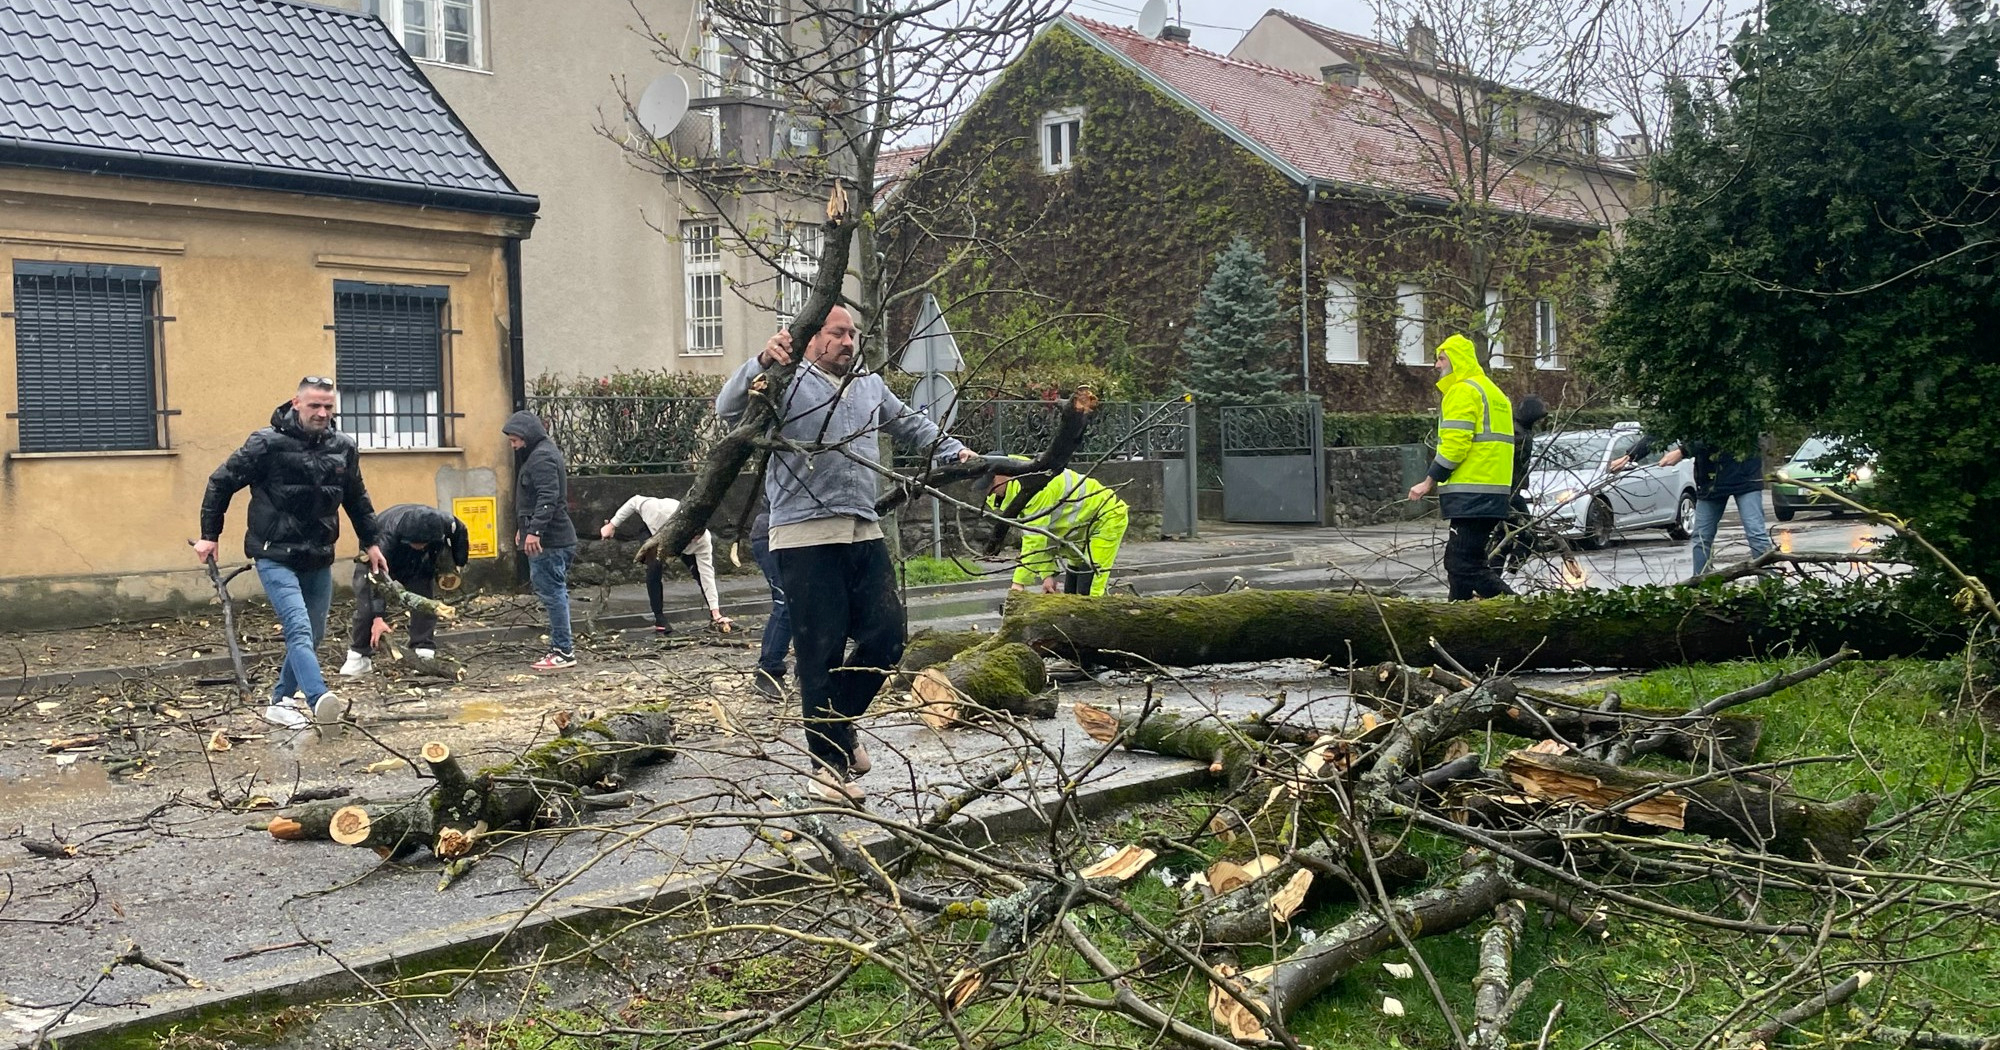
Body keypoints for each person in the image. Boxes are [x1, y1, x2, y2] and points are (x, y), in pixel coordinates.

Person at [716, 306, 976, 802]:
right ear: (812, 339)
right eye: (837, 333)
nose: (847, 341)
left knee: (887, 638)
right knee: (821, 651)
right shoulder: (786, 380)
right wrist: (758, 364)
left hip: (863, 528)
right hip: (804, 535)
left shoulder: (867, 385)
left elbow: (911, 424)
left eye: (852, 333)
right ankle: (827, 771)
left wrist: (956, 451)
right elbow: (726, 409)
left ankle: (839, 728)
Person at [196, 376, 387, 732]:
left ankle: (281, 701)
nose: (322, 413)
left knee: (314, 634)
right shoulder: (266, 444)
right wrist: (210, 535)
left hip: (318, 554)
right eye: (314, 405)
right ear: (295, 403)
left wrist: (371, 542)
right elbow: (221, 481)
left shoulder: (343, 446)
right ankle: (318, 699)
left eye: (328, 407)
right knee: (298, 628)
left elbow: (357, 498)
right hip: (273, 552)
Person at [1407, 334, 1517, 600]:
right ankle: (1458, 617)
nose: (1436, 365)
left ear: (1457, 361)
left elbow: (1456, 445)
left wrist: (1429, 481)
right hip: (1493, 491)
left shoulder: (1462, 391)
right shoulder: (1492, 391)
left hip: (1472, 493)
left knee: (1462, 564)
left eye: (1442, 358)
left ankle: (1520, 610)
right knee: (1460, 567)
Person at [340, 504, 470, 676]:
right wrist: (378, 617)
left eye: (424, 543)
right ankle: (359, 656)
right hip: (379, 562)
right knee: (367, 607)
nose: (421, 545)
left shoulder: (445, 522)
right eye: (417, 543)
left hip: (417, 563)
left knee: (424, 600)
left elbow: (460, 532)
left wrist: (459, 562)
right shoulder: (384, 537)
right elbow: (376, 579)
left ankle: (423, 649)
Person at [1614, 437, 1771, 574]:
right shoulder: (1682, 406)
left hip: (1745, 475)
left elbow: (1715, 430)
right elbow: (1659, 431)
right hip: (1710, 481)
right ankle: (1703, 587)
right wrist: (1630, 456)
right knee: (1701, 537)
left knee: (1756, 534)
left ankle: (1771, 587)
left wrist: (1682, 451)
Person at [986, 457, 1131, 596]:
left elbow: (1036, 540)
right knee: (1072, 594)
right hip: (1079, 530)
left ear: (1002, 473)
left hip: (1105, 518)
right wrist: (1047, 575)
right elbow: (1044, 533)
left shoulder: (1034, 485)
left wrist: (1018, 583)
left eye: (990, 483)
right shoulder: (1008, 492)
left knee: (1089, 593)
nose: (988, 490)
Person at [503, 411, 579, 670]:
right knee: (553, 591)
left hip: (551, 541)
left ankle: (563, 651)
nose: (513, 447)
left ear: (527, 436)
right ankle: (562, 648)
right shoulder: (539, 454)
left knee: (553, 592)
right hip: (550, 538)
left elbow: (548, 497)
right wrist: (523, 529)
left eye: (515, 441)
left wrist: (534, 531)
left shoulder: (542, 457)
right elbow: (533, 499)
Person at [598, 495, 729, 634]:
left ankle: (715, 615)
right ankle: (659, 618)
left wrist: (716, 611)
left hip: (676, 543)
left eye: (696, 539)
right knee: (655, 566)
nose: (693, 541)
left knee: (699, 573)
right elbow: (634, 501)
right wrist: (612, 525)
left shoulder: (703, 541)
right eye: (691, 539)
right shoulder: (659, 511)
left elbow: (707, 574)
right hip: (655, 532)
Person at [1491, 395, 1547, 574]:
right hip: (1509, 492)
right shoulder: (1516, 433)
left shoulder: (1519, 429)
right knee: (1527, 535)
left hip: (1508, 490)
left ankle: (1493, 578)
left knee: (1502, 538)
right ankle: (1506, 571)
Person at [747, 505, 791, 699]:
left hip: (792, 532)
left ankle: (808, 672)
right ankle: (769, 671)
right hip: (774, 533)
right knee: (786, 601)